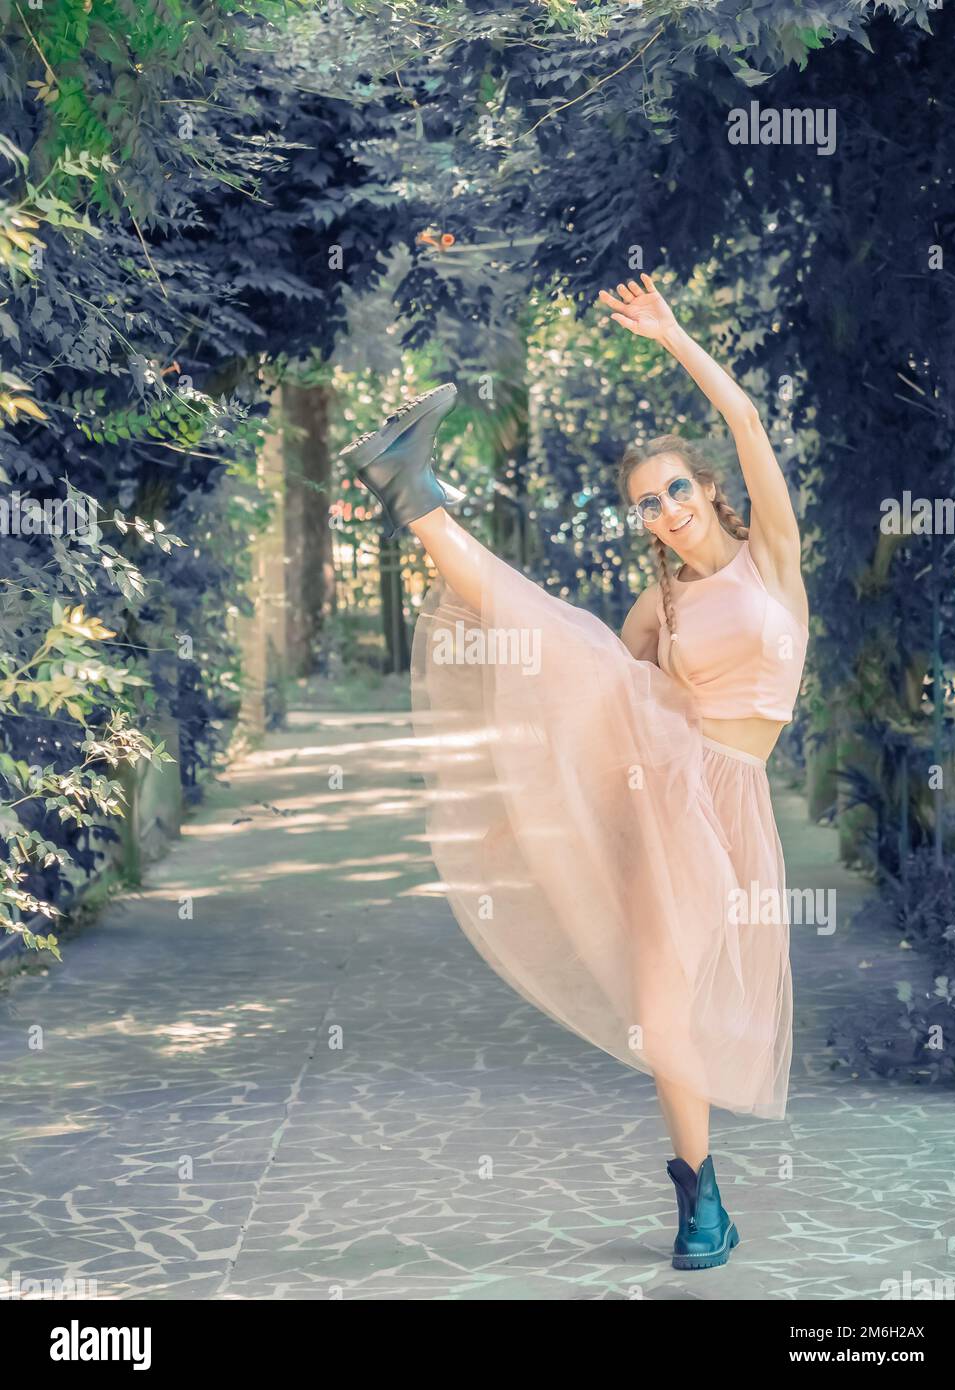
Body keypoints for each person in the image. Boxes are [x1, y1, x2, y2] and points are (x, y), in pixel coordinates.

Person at [341, 273, 809, 1271]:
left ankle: (412, 492)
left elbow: (744, 417)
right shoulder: (661, 610)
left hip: (731, 799)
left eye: (677, 489)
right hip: (666, 785)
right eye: (648, 503)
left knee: (677, 1003)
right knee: (562, 641)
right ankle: (699, 1206)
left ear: (710, 490)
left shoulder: (771, 558)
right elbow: (598, 719)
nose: (667, 510)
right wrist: (541, 805)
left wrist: (673, 332)